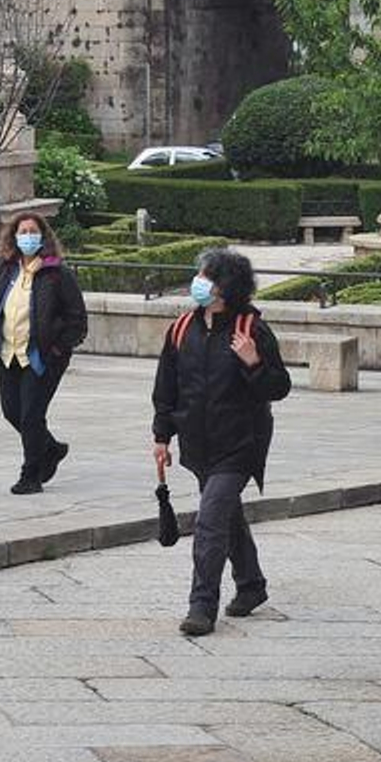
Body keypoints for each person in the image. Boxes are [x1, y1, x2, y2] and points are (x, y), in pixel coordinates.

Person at [152, 249, 291, 637]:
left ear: (226, 286)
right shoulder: (182, 328)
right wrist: (162, 434)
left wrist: (253, 363)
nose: (198, 281)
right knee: (226, 514)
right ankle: (251, 584)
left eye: (207, 276)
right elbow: (167, 386)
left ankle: (202, 605)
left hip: (240, 443)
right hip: (198, 444)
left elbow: (278, 387)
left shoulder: (251, 330)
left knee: (210, 519)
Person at [0, 212, 88, 495]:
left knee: (31, 415)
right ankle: (50, 448)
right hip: (9, 352)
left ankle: (31, 473)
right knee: (11, 411)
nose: (27, 236)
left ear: (43, 236)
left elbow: (77, 318)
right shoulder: (7, 270)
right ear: (14, 237)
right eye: (22, 231)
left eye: (33, 231)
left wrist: (57, 348)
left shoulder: (57, 273)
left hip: (41, 357)